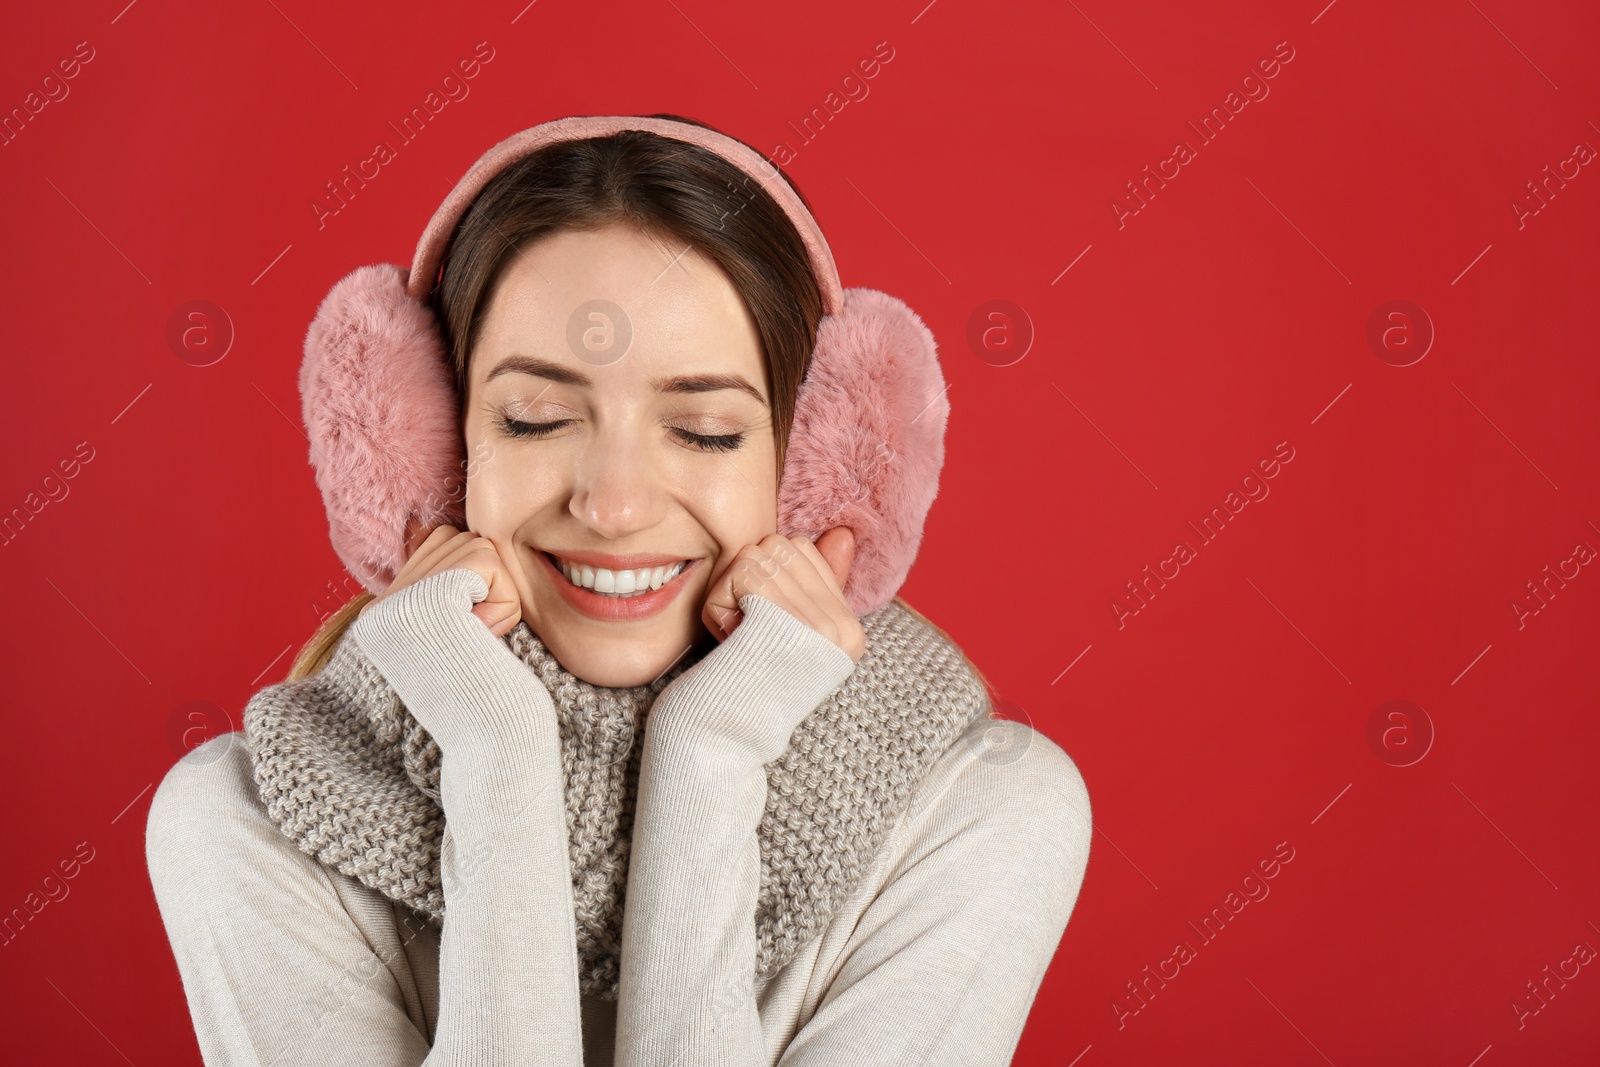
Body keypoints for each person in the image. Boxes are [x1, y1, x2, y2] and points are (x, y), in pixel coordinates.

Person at [145, 113, 1092, 1065]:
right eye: (536, 418)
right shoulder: (244, 819)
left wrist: (709, 749)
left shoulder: (981, 809)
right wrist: (492, 745)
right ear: (428, 457)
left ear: (818, 475)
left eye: (706, 431)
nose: (614, 505)